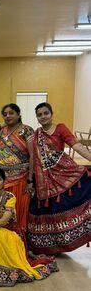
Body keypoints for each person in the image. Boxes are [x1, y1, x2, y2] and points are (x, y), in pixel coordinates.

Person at [27, 102, 91, 255]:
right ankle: (50, 246)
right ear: (37, 117)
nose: (43, 117)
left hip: (62, 176)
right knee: (49, 211)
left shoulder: (61, 128)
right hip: (42, 181)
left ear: (51, 114)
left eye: (45, 113)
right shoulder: (35, 135)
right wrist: (30, 179)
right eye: (39, 115)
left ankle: (65, 243)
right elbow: (33, 159)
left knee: (64, 207)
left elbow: (76, 146)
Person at [0, 103, 34, 232]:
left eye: (11, 113)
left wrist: (30, 180)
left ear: (18, 114)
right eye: (5, 114)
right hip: (1, 181)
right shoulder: (0, 132)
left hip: (21, 180)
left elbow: (33, 156)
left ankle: (18, 244)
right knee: (1, 214)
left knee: (18, 212)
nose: (7, 116)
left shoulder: (26, 130)